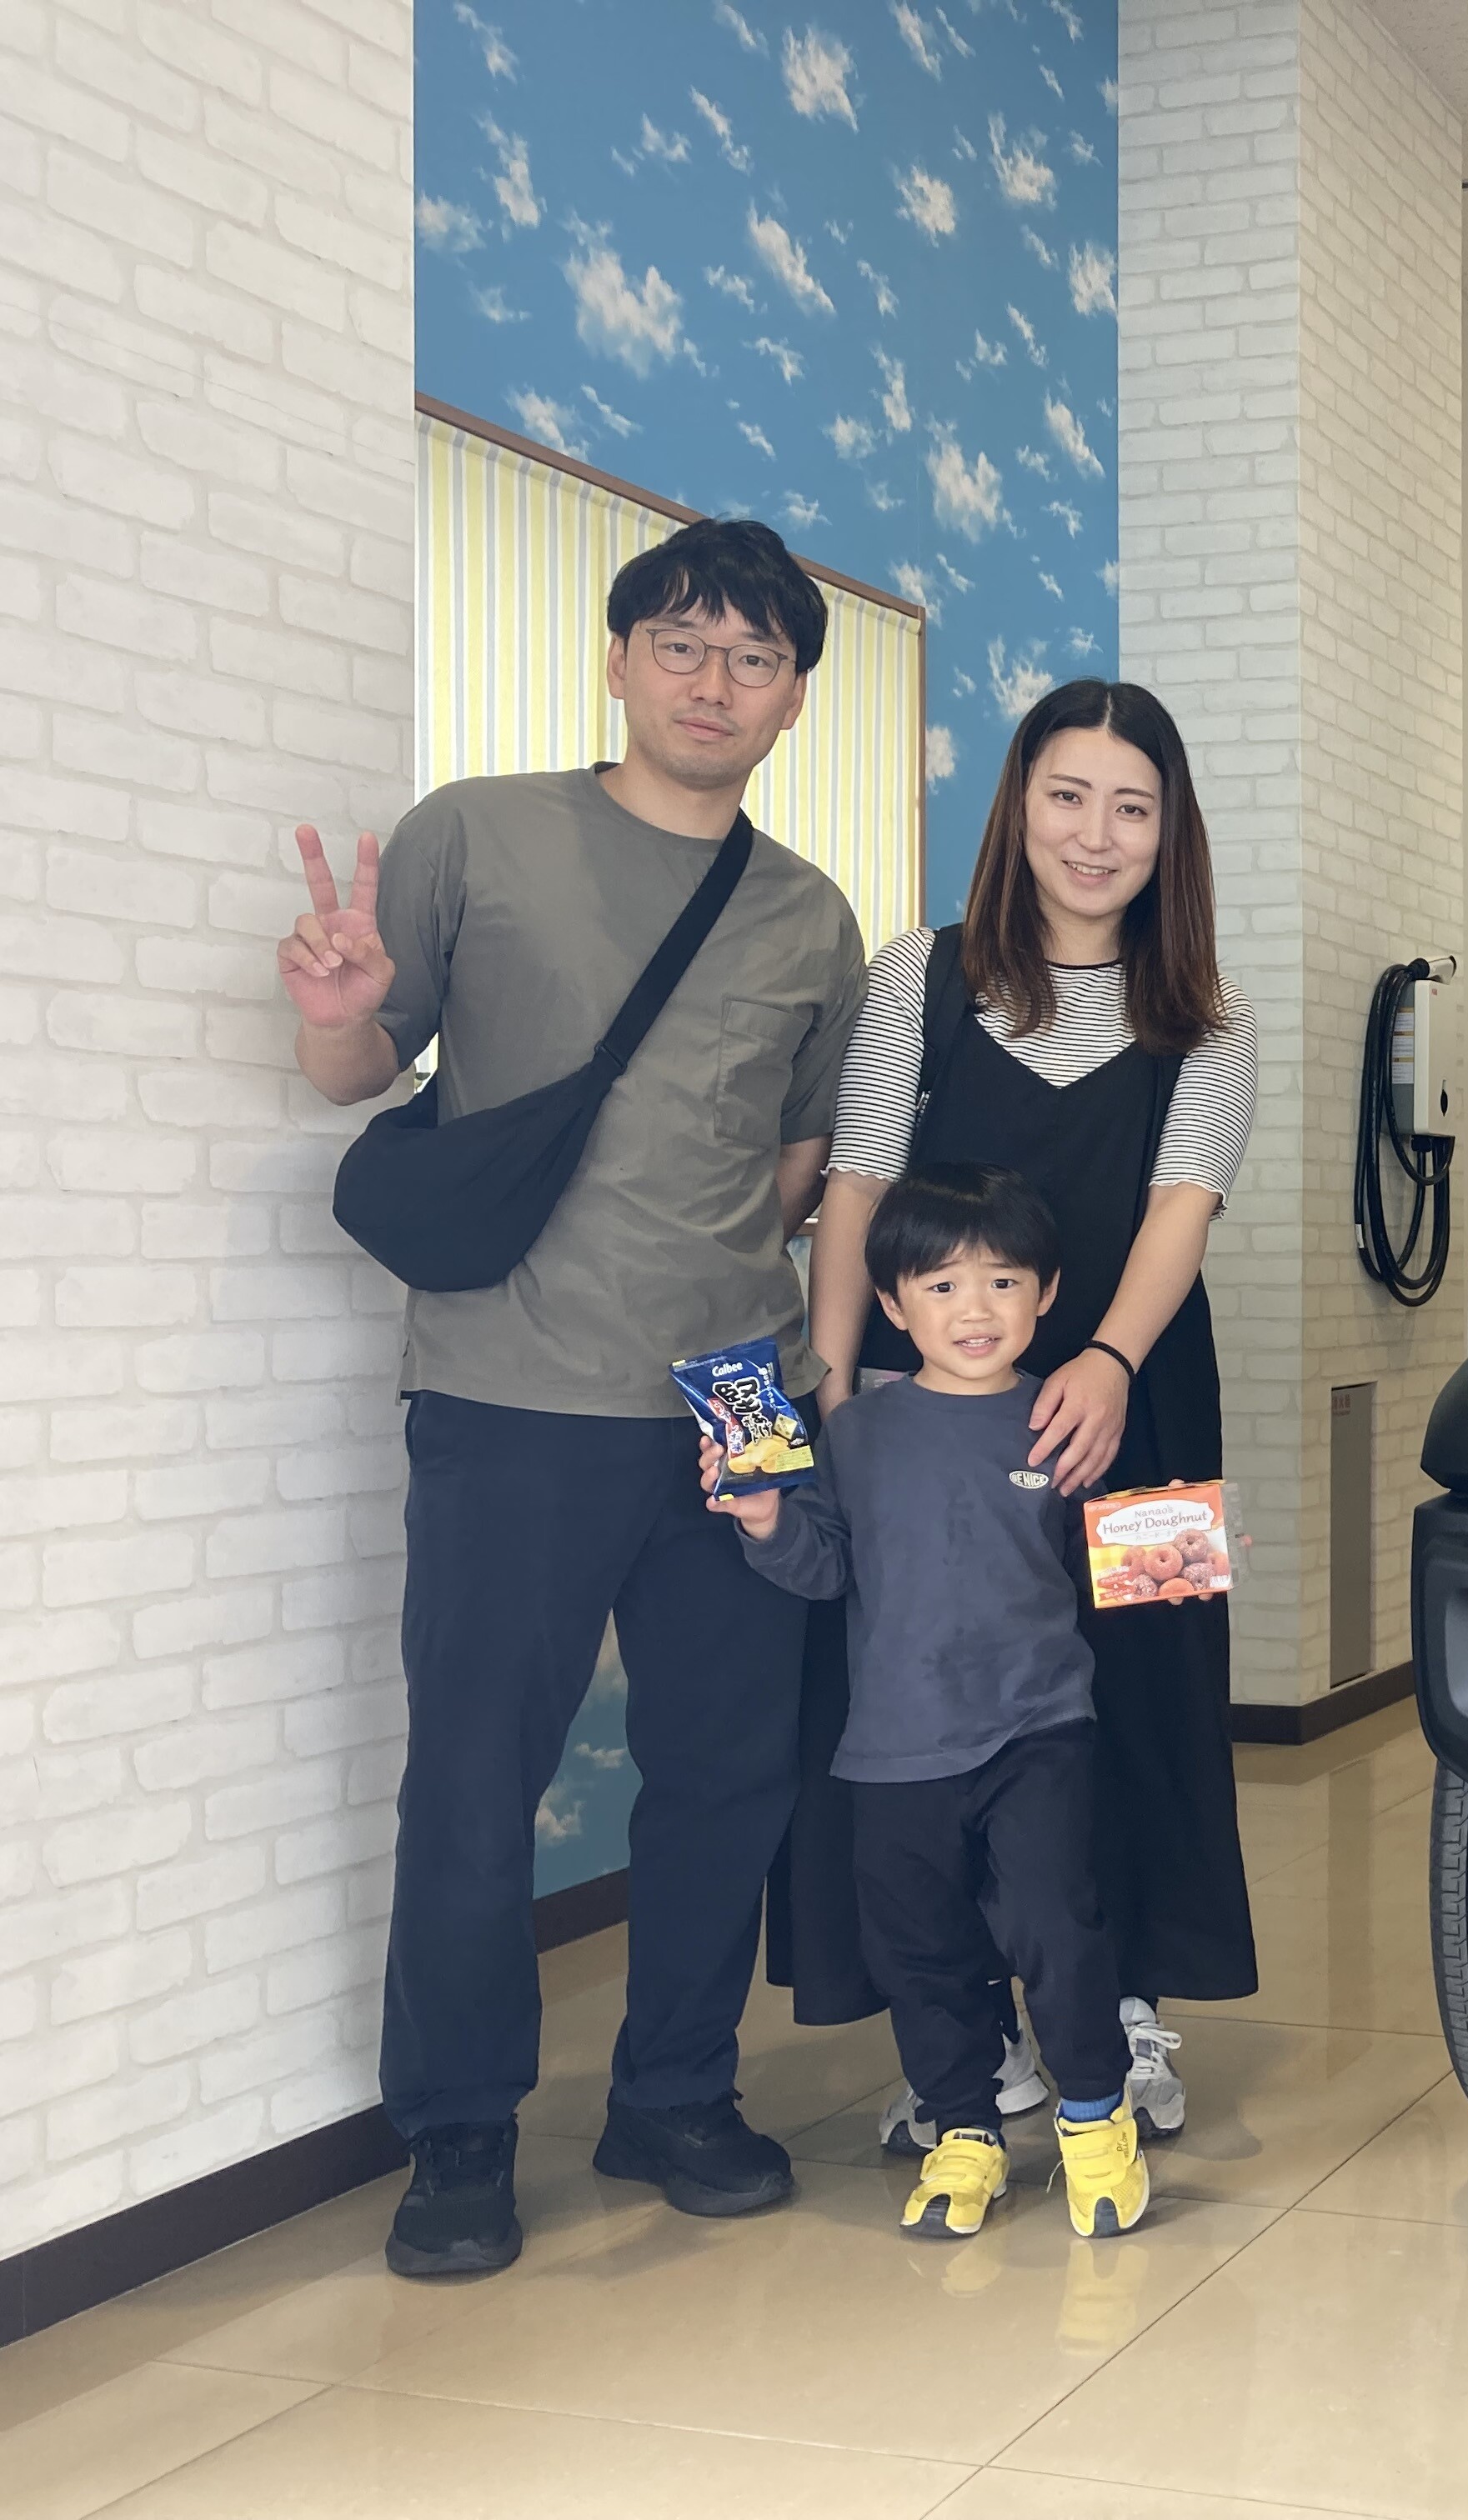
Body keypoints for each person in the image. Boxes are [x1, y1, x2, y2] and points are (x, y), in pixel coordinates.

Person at [276, 518, 866, 2278]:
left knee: (731, 1771)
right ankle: (458, 2132)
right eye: (680, 643)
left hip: (742, 1392)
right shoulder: (477, 834)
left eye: (754, 658)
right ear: (616, 660)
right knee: (476, 1777)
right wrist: (339, 1018)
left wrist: (729, 1306)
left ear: (794, 699)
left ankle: (675, 2091)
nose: (713, 682)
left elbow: (798, 1166)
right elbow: (360, 1070)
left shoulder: (811, 913)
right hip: (509, 1385)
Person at [776, 680, 1255, 2144]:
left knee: (1151, 1690)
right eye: (1067, 796)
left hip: (1145, 1398)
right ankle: (970, 2039)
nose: (1095, 835)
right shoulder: (920, 975)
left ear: (1169, 831)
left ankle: (1127, 2007)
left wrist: (1104, 1360)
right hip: (931, 1410)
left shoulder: (1210, 1016)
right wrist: (836, 1376)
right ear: (1020, 805)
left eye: (1132, 806)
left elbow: (1182, 1213)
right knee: (926, 1692)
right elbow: (858, 1184)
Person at [714, 1165, 1150, 2240]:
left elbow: (1112, 1563)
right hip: (895, 1751)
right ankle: (964, 2130)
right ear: (893, 1303)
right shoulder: (856, 1430)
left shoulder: (1061, 1419)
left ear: (1047, 1294)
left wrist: (1182, 1550)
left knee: (1056, 1926)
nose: (975, 1310)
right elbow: (828, 1568)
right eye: (942, 1286)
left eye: (1003, 1282)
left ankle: (1095, 2117)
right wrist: (766, 1522)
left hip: (1039, 1727)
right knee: (921, 1952)